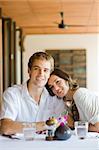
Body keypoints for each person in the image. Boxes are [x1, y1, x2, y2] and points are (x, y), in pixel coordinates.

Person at [0, 52, 65, 135]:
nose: (41, 73)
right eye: (36, 68)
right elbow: (5, 127)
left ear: (49, 74)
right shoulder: (12, 94)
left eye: (45, 70)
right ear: (29, 70)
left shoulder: (55, 97)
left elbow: (62, 123)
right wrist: (44, 124)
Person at [46, 68, 99, 132]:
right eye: (52, 87)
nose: (56, 88)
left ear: (66, 80)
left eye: (58, 82)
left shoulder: (80, 94)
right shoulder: (67, 103)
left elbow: (97, 127)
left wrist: (74, 125)